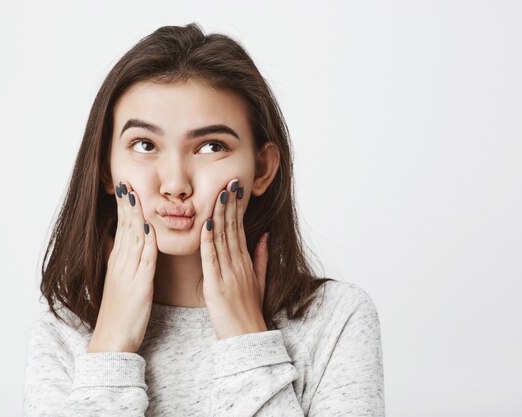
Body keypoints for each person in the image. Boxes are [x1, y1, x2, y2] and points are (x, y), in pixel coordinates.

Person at [22, 23, 385, 416]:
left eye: (211, 146)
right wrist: (111, 350)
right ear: (106, 170)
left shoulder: (336, 320)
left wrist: (248, 341)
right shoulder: (64, 333)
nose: (175, 183)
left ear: (261, 169)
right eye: (145, 145)